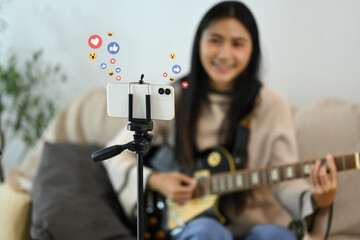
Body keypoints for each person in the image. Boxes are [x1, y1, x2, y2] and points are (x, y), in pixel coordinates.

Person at [104, 1, 338, 239]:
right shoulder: (174, 97)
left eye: (238, 44)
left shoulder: (271, 103)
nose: (225, 54)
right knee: (206, 232)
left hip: (259, 224)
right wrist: (156, 180)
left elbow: (283, 180)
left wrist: (318, 199)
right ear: (199, 43)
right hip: (195, 224)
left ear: (252, 49)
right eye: (215, 40)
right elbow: (117, 153)